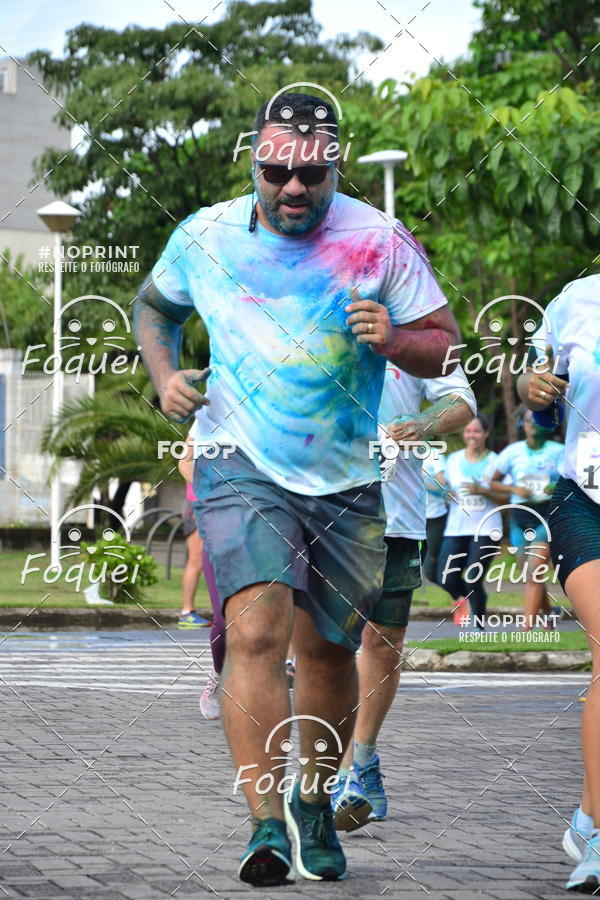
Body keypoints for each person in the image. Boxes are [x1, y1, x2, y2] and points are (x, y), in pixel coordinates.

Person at [134, 91, 461, 887]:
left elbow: (446, 349)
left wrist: (397, 338)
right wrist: (166, 375)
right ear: (253, 160)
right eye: (276, 171)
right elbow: (153, 307)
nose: (292, 189)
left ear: (335, 169)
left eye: (310, 175)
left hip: (348, 479)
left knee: (326, 651)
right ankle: (262, 825)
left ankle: (314, 800)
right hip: (237, 461)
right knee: (254, 632)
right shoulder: (205, 236)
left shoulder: (379, 240)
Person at [331, 362, 475, 831]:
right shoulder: (301, 308)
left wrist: (425, 424)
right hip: (321, 509)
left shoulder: (415, 323)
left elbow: (462, 401)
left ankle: (363, 759)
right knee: (326, 643)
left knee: (382, 640)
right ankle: (336, 772)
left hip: (397, 515)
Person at [517, 274, 600, 893]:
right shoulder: (577, 299)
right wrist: (534, 386)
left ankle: (588, 817)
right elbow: (532, 388)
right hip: (583, 498)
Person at [489, 409, 564, 630]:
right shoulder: (512, 452)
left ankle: (527, 629)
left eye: (537, 420)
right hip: (519, 517)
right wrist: (514, 488)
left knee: (534, 571)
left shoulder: (559, 451)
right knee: (531, 575)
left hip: (546, 515)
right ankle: (549, 616)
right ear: (523, 424)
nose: (533, 424)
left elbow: (574, 480)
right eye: (528, 420)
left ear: (546, 424)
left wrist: (556, 487)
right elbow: (493, 482)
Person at [436, 415, 505, 629]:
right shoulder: (453, 460)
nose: (472, 435)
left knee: (473, 578)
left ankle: (479, 625)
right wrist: (446, 493)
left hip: (487, 527)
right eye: (468, 431)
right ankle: (470, 601)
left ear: (486, 433)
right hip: (456, 528)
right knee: (445, 578)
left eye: (476, 431)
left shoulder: (497, 462)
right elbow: (445, 488)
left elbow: (507, 499)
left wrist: (483, 490)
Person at [179, 438, 223, 719]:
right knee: (225, 618)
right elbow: (184, 461)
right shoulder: (207, 417)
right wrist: (208, 489)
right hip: (216, 521)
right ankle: (217, 676)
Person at [178, 483, 211, 629]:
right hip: (198, 503)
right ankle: (187, 612)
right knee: (196, 560)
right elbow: (184, 465)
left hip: (210, 503)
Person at [422, 449, 449, 586]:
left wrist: (422, 478)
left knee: (430, 571)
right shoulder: (393, 452)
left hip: (434, 517)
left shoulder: (434, 454)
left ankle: (462, 596)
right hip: (408, 519)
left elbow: (442, 484)